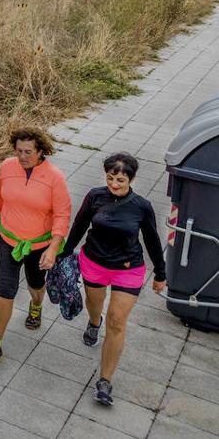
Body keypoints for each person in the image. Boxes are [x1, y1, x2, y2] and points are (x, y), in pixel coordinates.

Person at [61, 153, 166, 406]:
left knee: (117, 321)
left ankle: (105, 381)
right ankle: (93, 323)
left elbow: (152, 239)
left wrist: (161, 273)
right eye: (110, 178)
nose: (114, 184)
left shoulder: (141, 206)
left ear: (131, 179)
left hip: (128, 268)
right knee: (94, 305)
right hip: (94, 262)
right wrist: (64, 253)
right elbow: (79, 224)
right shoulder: (95, 196)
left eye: (120, 179)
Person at [0, 127, 71, 367]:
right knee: (5, 288)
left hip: (38, 245)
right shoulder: (7, 168)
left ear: (41, 151)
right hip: (7, 239)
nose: (22, 156)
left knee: (35, 284)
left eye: (28, 152)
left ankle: (36, 304)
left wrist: (53, 248)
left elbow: (62, 215)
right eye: (19, 151)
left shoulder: (54, 177)